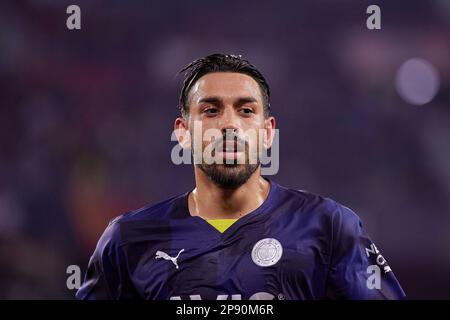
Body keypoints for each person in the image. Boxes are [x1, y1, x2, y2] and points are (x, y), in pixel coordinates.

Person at [76, 53, 405, 300]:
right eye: (211, 110)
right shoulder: (128, 239)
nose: (229, 124)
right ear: (183, 133)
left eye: (246, 110)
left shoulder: (329, 227)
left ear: (267, 133)